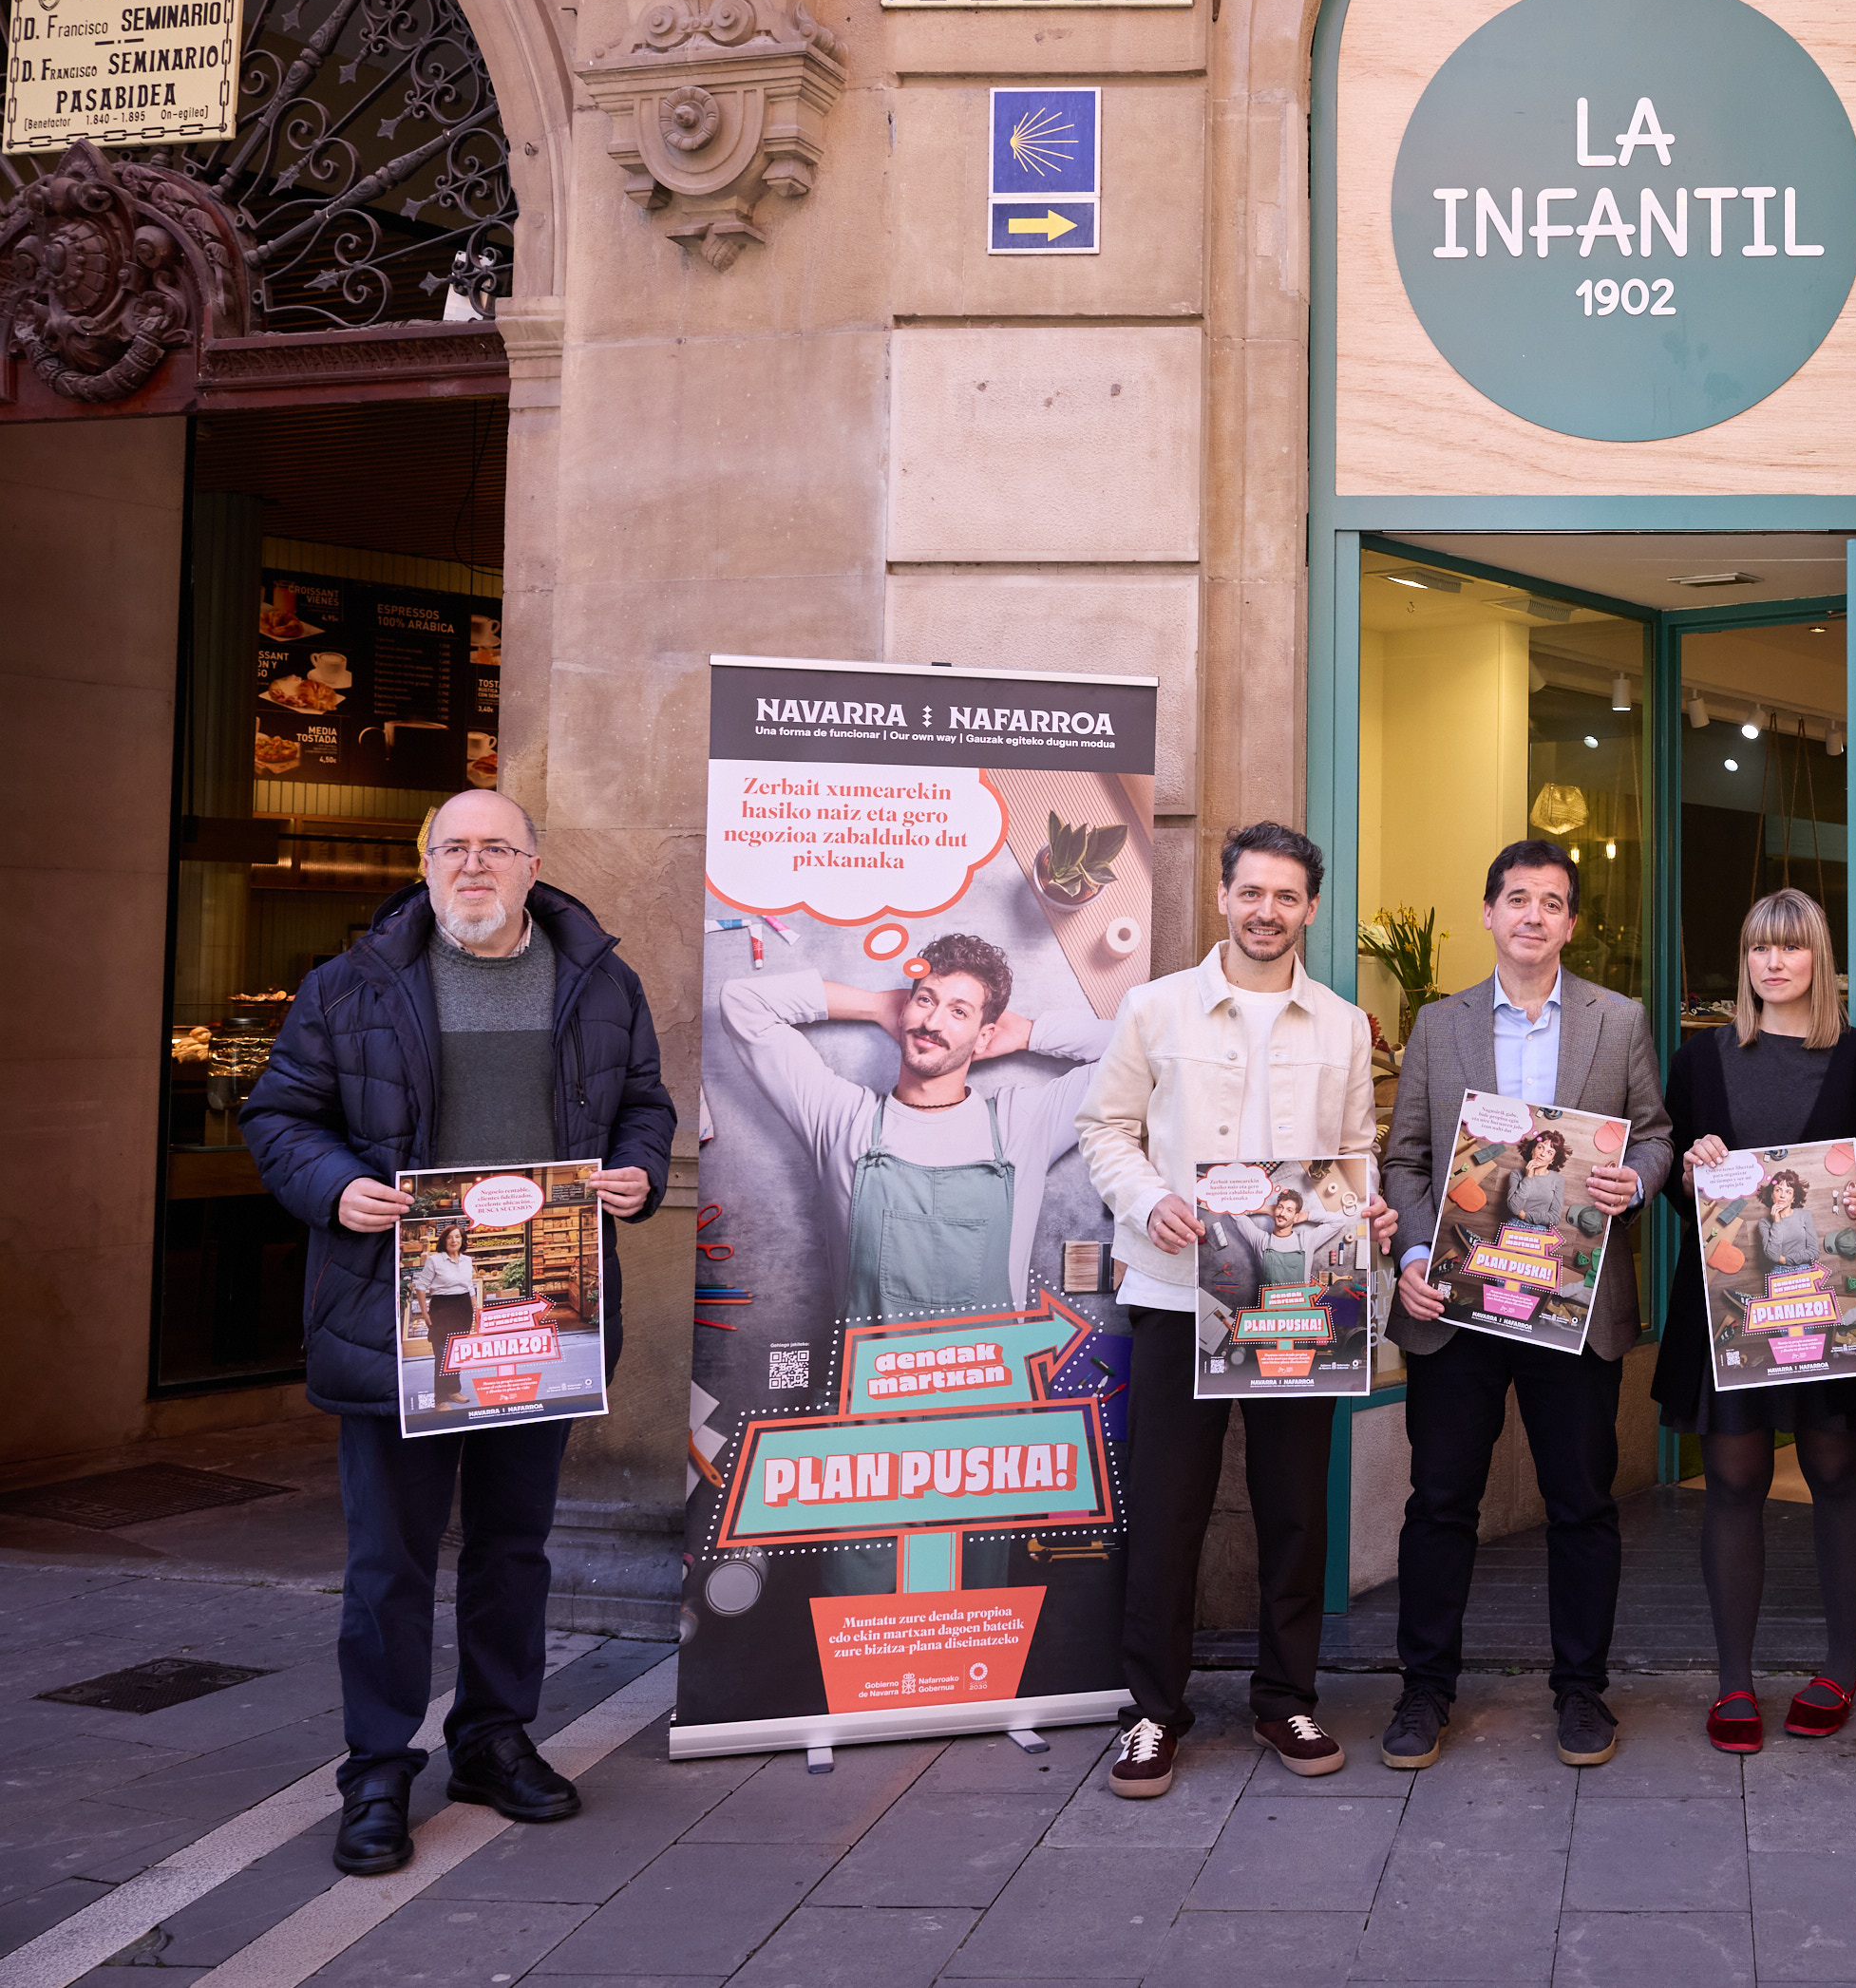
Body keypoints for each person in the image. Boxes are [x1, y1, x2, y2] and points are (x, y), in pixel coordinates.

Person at [241, 790, 673, 1877]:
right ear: (426, 861)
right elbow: (279, 1114)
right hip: (405, 1310)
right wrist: (334, 1185)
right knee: (389, 1559)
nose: (472, 864)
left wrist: (640, 1169)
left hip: (544, 1305)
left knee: (512, 1545)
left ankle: (491, 1738)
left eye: (495, 847)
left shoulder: (600, 981)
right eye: (453, 847)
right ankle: (377, 1769)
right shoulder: (350, 984)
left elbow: (644, 1103)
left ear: (533, 863)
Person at [1076, 823, 1396, 1799]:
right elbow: (1104, 1126)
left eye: (1286, 895)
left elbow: (1354, 1152)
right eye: (1252, 891)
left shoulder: (1343, 1025)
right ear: (1223, 895)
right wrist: (1147, 1199)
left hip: (1299, 1294)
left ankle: (1285, 1696)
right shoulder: (1155, 1006)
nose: (1267, 910)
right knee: (1166, 1508)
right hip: (1177, 1289)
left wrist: (1368, 1206)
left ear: (1310, 908)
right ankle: (1151, 1710)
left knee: (1295, 1509)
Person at [1381, 839, 1674, 1773]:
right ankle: (1424, 1689)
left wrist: (1638, 1179)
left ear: (1571, 922)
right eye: (1517, 898)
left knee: (1581, 1503)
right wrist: (1415, 1252)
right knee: (1440, 1502)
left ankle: (1581, 1690)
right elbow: (1405, 1158)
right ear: (1489, 912)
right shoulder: (1440, 1023)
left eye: (1551, 901)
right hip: (1457, 1300)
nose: (1533, 915)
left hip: (1571, 1302)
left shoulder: (1617, 1021)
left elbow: (1655, 1136)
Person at [1651, 887, 1856, 1752]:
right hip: (1728, 1306)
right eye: (1759, 947)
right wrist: (1688, 1172)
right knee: (1732, 1478)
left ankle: (1840, 1666)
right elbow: (1675, 1180)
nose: (1773, 961)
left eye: (1791, 946)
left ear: (1817, 958)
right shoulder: (1700, 1059)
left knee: (1835, 1468)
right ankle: (1734, 1679)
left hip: (1826, 1300)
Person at [720, 927, 1116, 1321]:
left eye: (959, 1012)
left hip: (995, 1365)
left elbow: (1137, 1047)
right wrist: (876, 1005)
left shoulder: (1024, 1125)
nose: (933, 1023)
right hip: (871, 1366)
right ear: (904, 1010)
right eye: (926, 1000)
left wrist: (1027, 1033)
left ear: (984, 1037)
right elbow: (743, 1003)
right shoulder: (841, 1118)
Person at [414, 1227, 482, 1407]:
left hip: (463, 1309)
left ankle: (453, 1391)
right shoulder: (435, 1260)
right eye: (450, 1237)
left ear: (462, 1240)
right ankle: (441, 1399)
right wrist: (424, 1313)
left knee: (456, 1353)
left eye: (457, 1237)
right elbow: (421, 1286)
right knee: (443, 1354)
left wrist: (475, 1310)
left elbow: (469, 1286)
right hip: (442, 1309)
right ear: (444, 1240)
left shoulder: (467, 1260)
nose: (454, 1240)